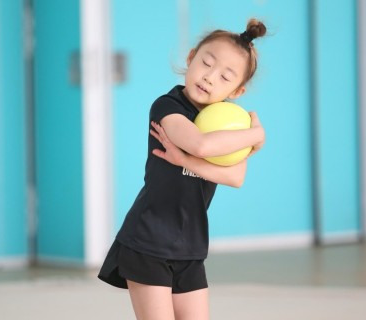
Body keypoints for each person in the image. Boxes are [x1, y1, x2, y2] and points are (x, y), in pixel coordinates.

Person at [98, 18, 267, 320]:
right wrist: (256, 134)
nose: (210, 77)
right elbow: (201, 144)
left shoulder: (229, 124)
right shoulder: (167, 106)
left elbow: (235, 176)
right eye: (206, 63)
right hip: (148, 240)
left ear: (238, 91)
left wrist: (185, 162)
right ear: (190, 58)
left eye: (225, 77)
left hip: (190, 246)